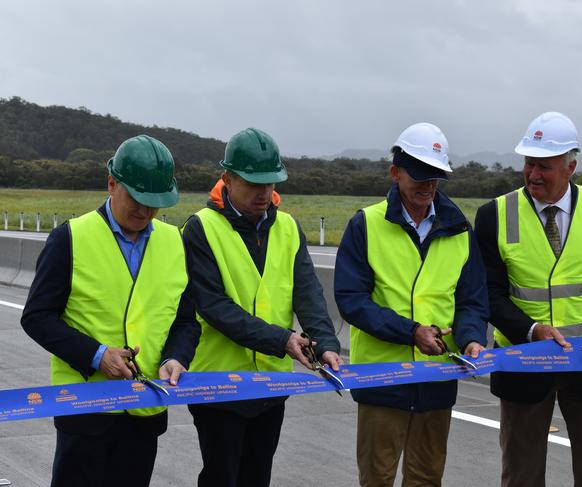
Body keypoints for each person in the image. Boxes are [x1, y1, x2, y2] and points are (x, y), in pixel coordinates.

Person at [21, 135, 201, 487]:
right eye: (136, 199)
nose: (145, 211)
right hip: (85, 407)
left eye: (155, 203)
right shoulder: (69, 238)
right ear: (111, 183)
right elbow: (37, 317)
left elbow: (185, 321)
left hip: (144, 409)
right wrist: (98, 355)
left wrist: (176, 357)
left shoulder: (174, 242)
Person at [474, 112, 582, 487]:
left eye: (543, 166)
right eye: (528, 163)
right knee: (521, 472)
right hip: (523, 362)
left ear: (570, 168)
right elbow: (489, 293)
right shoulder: (494, 215)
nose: (533, 174)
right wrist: (531, 330)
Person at [182, 127, 343, 487]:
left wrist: (326, 342)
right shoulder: (200, 229)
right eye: (254, 183)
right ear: (227, 178)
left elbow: (308, 292)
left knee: (257, 478)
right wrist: (283, 340)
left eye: (271, 183)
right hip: (219, 386)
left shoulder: (287, 227)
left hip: (271, 385)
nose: (265, 192)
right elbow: (214, 306)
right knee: (222, 478)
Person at [335, 122, 489, 487]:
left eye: (435, 176)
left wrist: (469, 338)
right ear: (395, 173)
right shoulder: (366, 225)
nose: (428, 185)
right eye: (419, 175)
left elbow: (472, 300)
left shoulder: (459, 230)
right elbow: (351, 300)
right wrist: (411, 332)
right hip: (382, 381)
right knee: (377, 478)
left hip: (437, 380)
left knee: (426, 478)